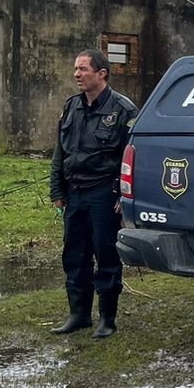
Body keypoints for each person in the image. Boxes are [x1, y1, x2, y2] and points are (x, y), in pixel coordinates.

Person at [49, 49, 137, 339]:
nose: (77, 74)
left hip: (104, 194)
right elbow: (60, 153)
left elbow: (132, 158)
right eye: (76, 69)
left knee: (106, 257)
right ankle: (78, 315)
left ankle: (106, 320)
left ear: (102, 73)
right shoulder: (71, 107)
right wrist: (57, 190)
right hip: (74, 194)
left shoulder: (123, 110)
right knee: (75, 256)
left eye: (83, 69)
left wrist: (123, 198)